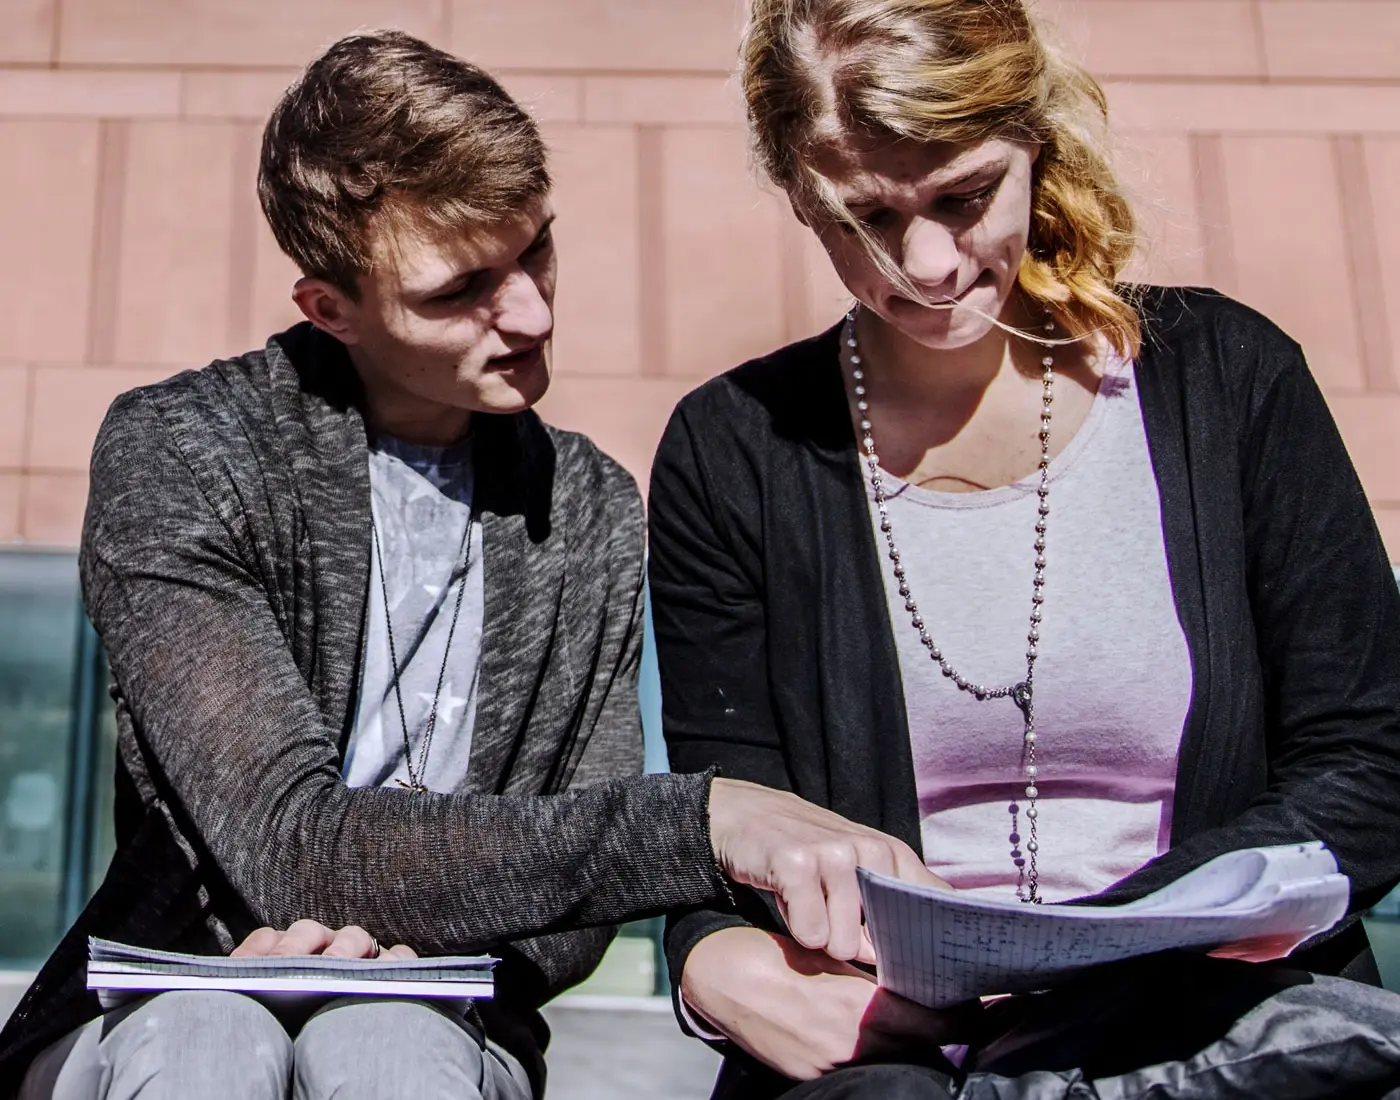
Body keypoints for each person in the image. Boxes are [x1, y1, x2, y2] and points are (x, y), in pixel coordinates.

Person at [0, 30, 941, 1100]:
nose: (532, 313)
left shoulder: (585, 504)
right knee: (214, 1041)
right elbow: (290, 844)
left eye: (535, 250)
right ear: (329, 308)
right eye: (461, 290)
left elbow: (582, 910)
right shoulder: (183, 452)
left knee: (388, 1044)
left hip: (443, 1014)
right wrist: (702, 819)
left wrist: (433, 961)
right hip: (161, 1002)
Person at [647, 1, 1400, 1097]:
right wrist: (707, 956)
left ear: (1035, 145)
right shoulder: (734, 449)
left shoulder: (1226, 381)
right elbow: (729, 812)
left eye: (964, 198)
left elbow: (1366, 763)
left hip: (1205, 1024)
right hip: (887, 1046)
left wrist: (1103, 950)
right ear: (797, 197)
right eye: (864, 218)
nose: (926, 266)